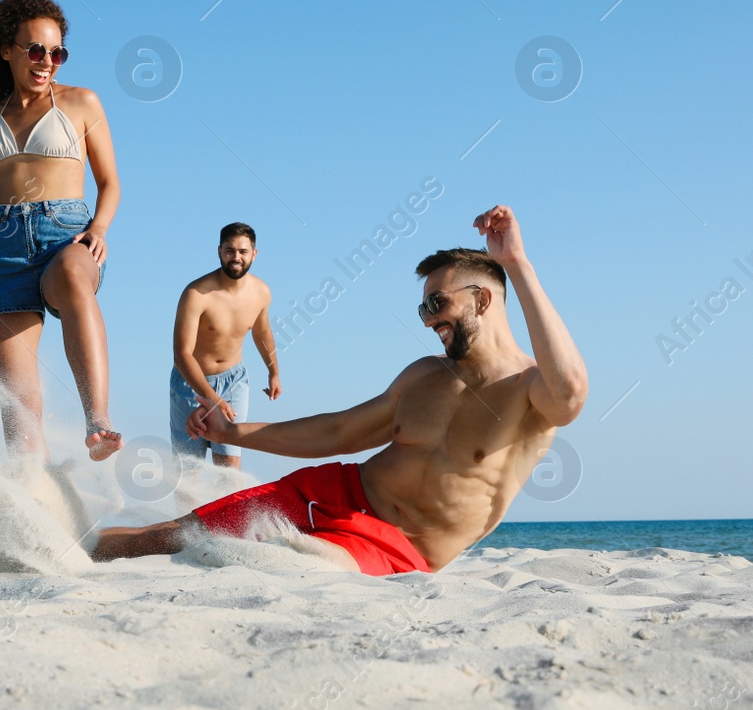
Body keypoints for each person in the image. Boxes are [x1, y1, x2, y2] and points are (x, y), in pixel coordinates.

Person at [94, 205, 587, 575]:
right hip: (334, 490)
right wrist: (234, 432)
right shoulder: (424, 376)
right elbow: (337, 430)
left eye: (436, 303)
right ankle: (61, 546)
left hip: (397, 546)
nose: (429, 319)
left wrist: (517, 265)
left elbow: (571, 391)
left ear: (482, 299)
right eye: (423, 309)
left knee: (272, 558)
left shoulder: (529, 392)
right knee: (165, 538)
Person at [0, 0, 122, 461]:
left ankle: (98, 421)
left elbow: (110, 182)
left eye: (56, 52)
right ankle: (34, 505)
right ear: (8, 51)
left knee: (72, 282)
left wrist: (99, 228)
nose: (47, 61)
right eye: (36, 50)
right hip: (4, 252)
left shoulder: (81, 102)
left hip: (68, 234)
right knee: (18, 406)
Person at [169, 222, 280, 470]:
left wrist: (273, 372)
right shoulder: (196, 293)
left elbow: (262, 332)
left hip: (234, 381)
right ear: (219, 251)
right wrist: (213, 400)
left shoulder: (261, 292)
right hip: (191, 383)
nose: (236, 257)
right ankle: (187, 511)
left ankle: (227, 511)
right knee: (189, 470)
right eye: (230, 251)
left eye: (243, 251)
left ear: (254, 254)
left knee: (229, 466)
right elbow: (182, 355)